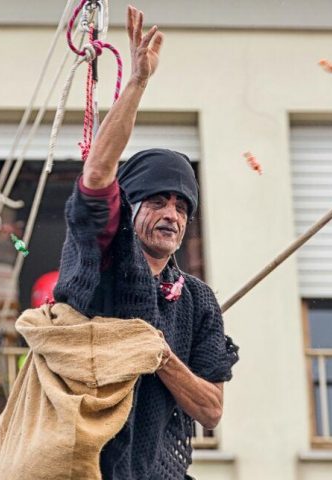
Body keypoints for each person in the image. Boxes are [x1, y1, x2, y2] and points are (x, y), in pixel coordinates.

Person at [52, 6, 239, 479]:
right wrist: (137, 82)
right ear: (130, 206)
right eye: (157, 200)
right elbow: (96, 174)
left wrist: (159, 356)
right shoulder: (104, 255)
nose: (172, 214)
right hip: (75, 465)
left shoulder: (197, 300)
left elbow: (212, 409)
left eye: (181, 205)